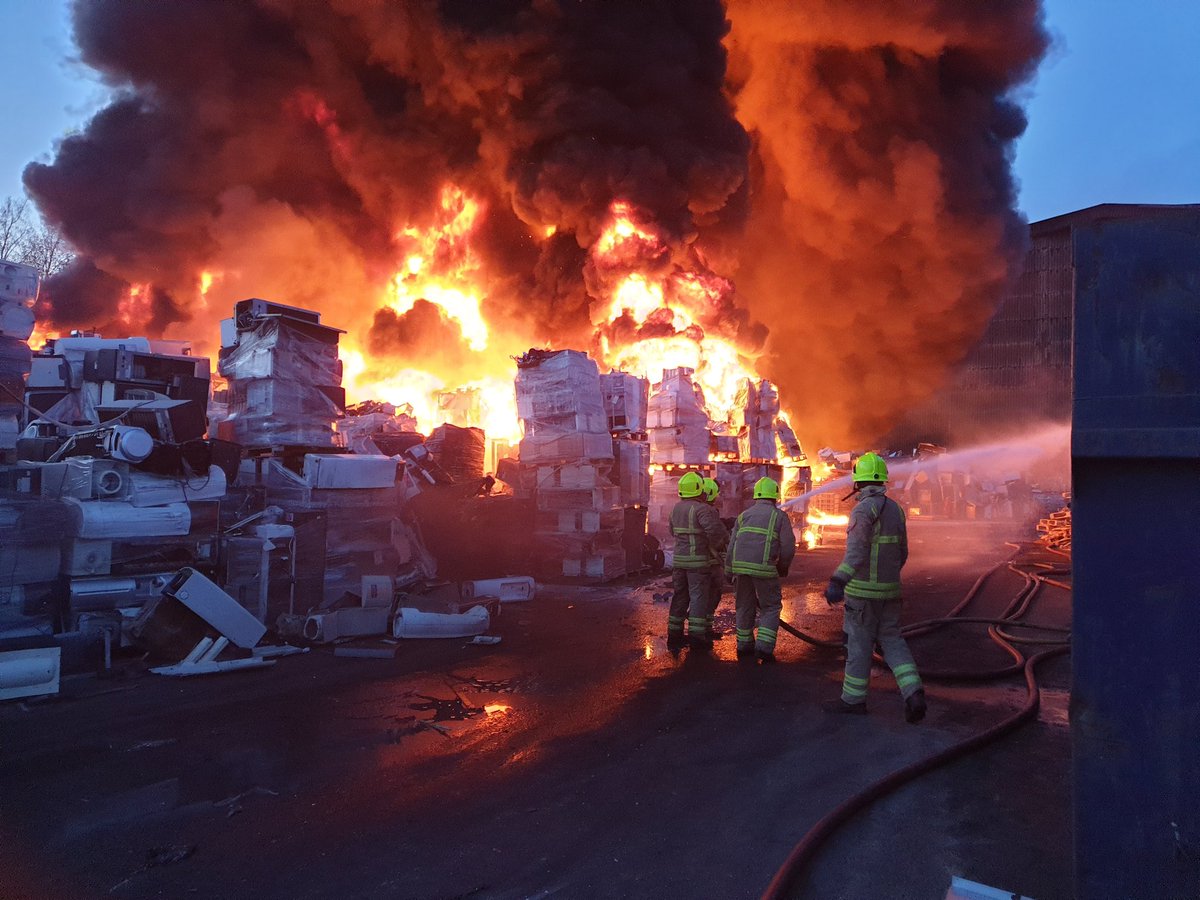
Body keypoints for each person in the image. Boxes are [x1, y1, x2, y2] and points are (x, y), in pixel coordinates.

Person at [823, 452, 926, 722]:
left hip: (863, 595)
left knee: (859, 646)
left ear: (858, 482)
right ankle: (913, 693)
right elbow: (902, 552)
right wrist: (888, 578)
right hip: (890, 591)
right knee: (893, 641)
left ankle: (853, 701)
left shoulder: (862, 510)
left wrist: (838, 580)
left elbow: (856, 553)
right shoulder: (895, 509)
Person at [726, 476, 796, 664]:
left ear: (756, 496)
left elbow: (732, 545)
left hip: (740, 568)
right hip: (764, 569)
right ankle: (764, 649)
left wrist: (728, 569)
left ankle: (744, 645)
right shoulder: (779, 516)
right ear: (775, 496)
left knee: (744, 606)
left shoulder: (743, 516)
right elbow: (788, 546)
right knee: (770, 606)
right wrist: (782, 566)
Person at [668, 471, 728, 650]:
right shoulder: (702, 509)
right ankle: (696, 636)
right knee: (698, 598)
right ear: (698, 489)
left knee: (680, 596)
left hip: (679, 562)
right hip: (697, 563)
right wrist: (718, 547)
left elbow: (672, 532)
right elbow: (716, 534)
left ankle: (674, 635)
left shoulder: (675, 509)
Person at [701, 477, 724, 641]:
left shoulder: (696, 510)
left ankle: (703, 627)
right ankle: (704, 629)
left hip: (699, 561)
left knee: (699, 595)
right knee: (713, 593)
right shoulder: (709, 512)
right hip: (711, 561)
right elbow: (717, 536)